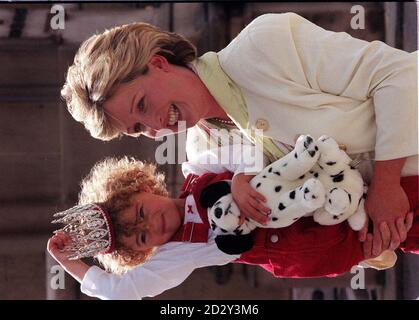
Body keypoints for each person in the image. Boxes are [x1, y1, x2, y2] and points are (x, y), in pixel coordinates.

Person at [60, 12, 418, 262]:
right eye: (138, 129)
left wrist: (386, 183)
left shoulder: (264, 45)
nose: (155, 125)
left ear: (158, 62)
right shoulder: (202, 165)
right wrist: (370, 247)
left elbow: (398, 76)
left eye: (142, 103)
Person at [47, 154, 418, 300]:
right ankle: (380, 253)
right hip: (315, 247)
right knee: (397, 234)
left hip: (328, 192)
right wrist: (67, 260)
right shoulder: (175, 255)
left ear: (144, 187)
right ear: (143, 251)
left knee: (400, 198)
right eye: (143, 236)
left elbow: (250, 143)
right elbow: (119, 290)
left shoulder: (198, 167)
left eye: (142, 211)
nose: (153, 224)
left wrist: (239, 179)